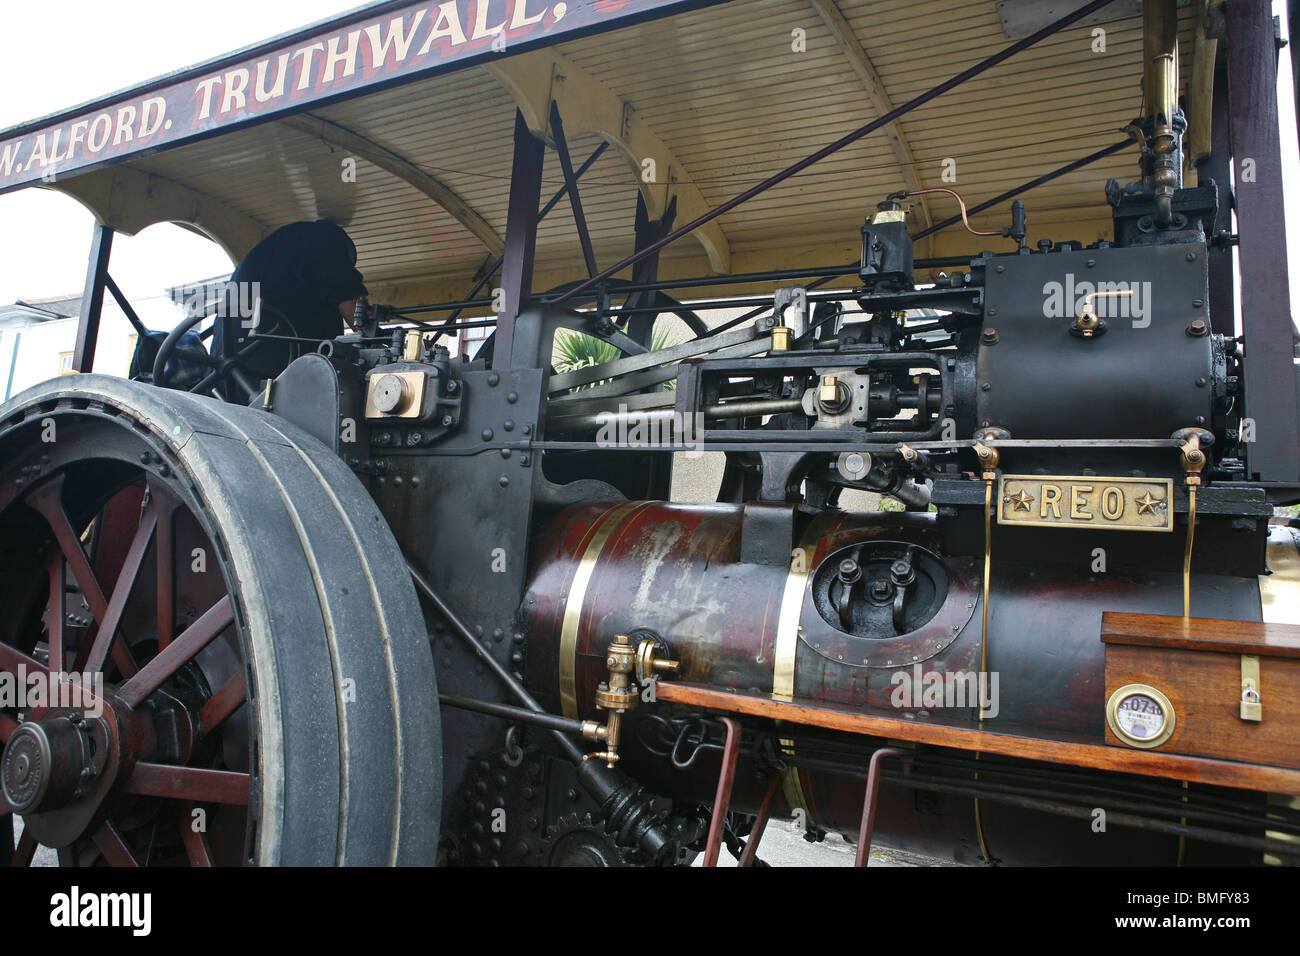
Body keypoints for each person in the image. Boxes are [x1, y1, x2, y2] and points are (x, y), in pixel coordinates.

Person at [211, 219, 366, 380]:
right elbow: (355, 310)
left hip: (224, 374)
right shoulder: (326, 239)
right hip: (270, 371)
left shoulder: (274, 253)